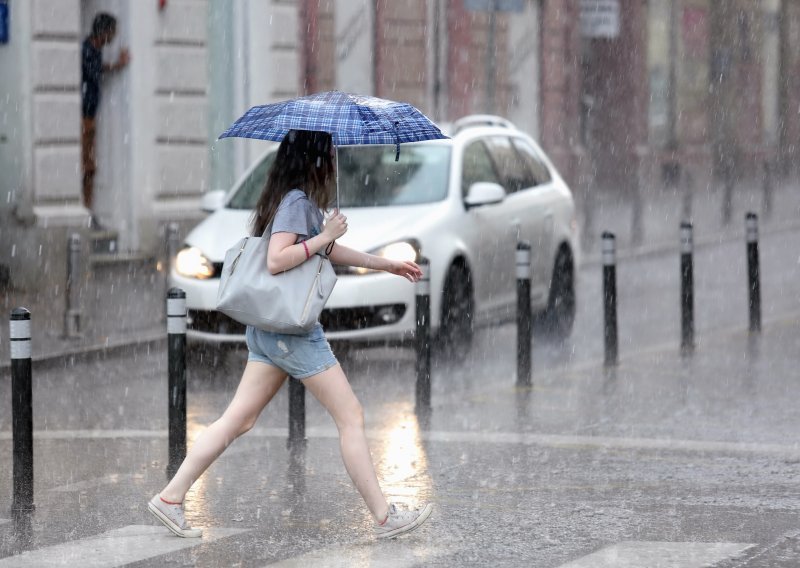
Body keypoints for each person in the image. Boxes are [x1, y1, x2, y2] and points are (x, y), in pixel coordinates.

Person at [148, 129, 433, 540]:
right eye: (331, 153)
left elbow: (327, 252)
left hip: (268, 330)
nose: (335, 160)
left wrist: (384, 265)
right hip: (292, 333)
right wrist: (325, 234)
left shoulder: (290, 200)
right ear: (315, 159)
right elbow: (278, 259)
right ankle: (385, 517)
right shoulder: (296, 202)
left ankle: (170, 498)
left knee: (238, 420)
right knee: (350, 415)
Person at [81, 13, 130, 230]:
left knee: (90, 166)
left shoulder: (94, 50)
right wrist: (117, 65)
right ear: (105, 32)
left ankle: (88, 211)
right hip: (85, 117)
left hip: (89, 115)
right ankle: (86, 212)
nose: (114, 36)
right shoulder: (88, 50)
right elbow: (93, 73)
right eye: (112, 31)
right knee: (88, 166)